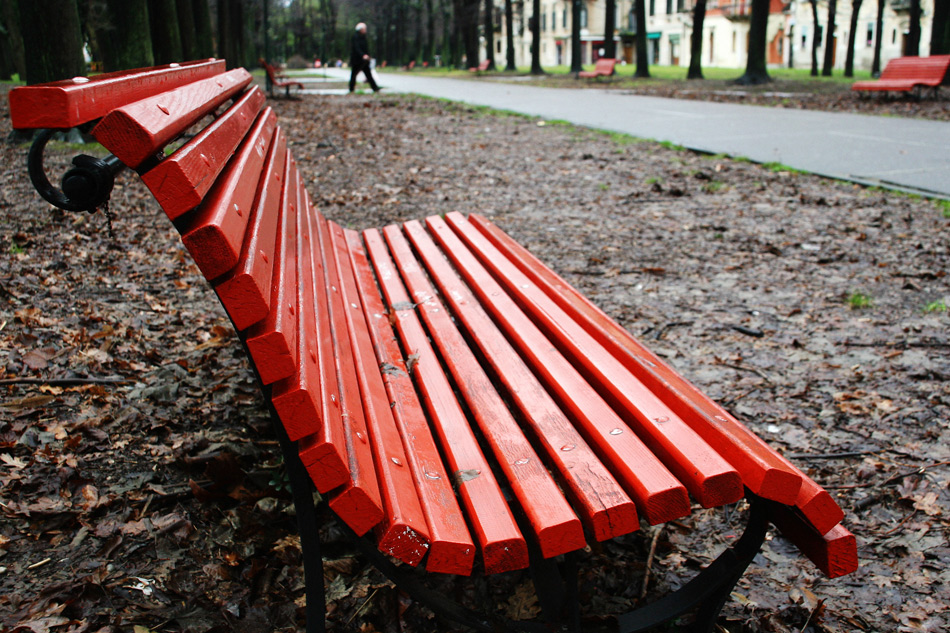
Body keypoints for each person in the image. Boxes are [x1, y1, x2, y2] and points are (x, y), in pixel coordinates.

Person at [349, 22, 380, 93]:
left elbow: (365, 48)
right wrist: (362, 55)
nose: (365, 30)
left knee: (368, 74)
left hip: (364, 60)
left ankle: (375, 88)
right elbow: (357, 48)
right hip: (357, 60)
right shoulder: (355, 37)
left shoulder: (363, 37)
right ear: (360, 29)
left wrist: (368, 55)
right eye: (364, 29)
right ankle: (351, 88)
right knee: (354, 74)